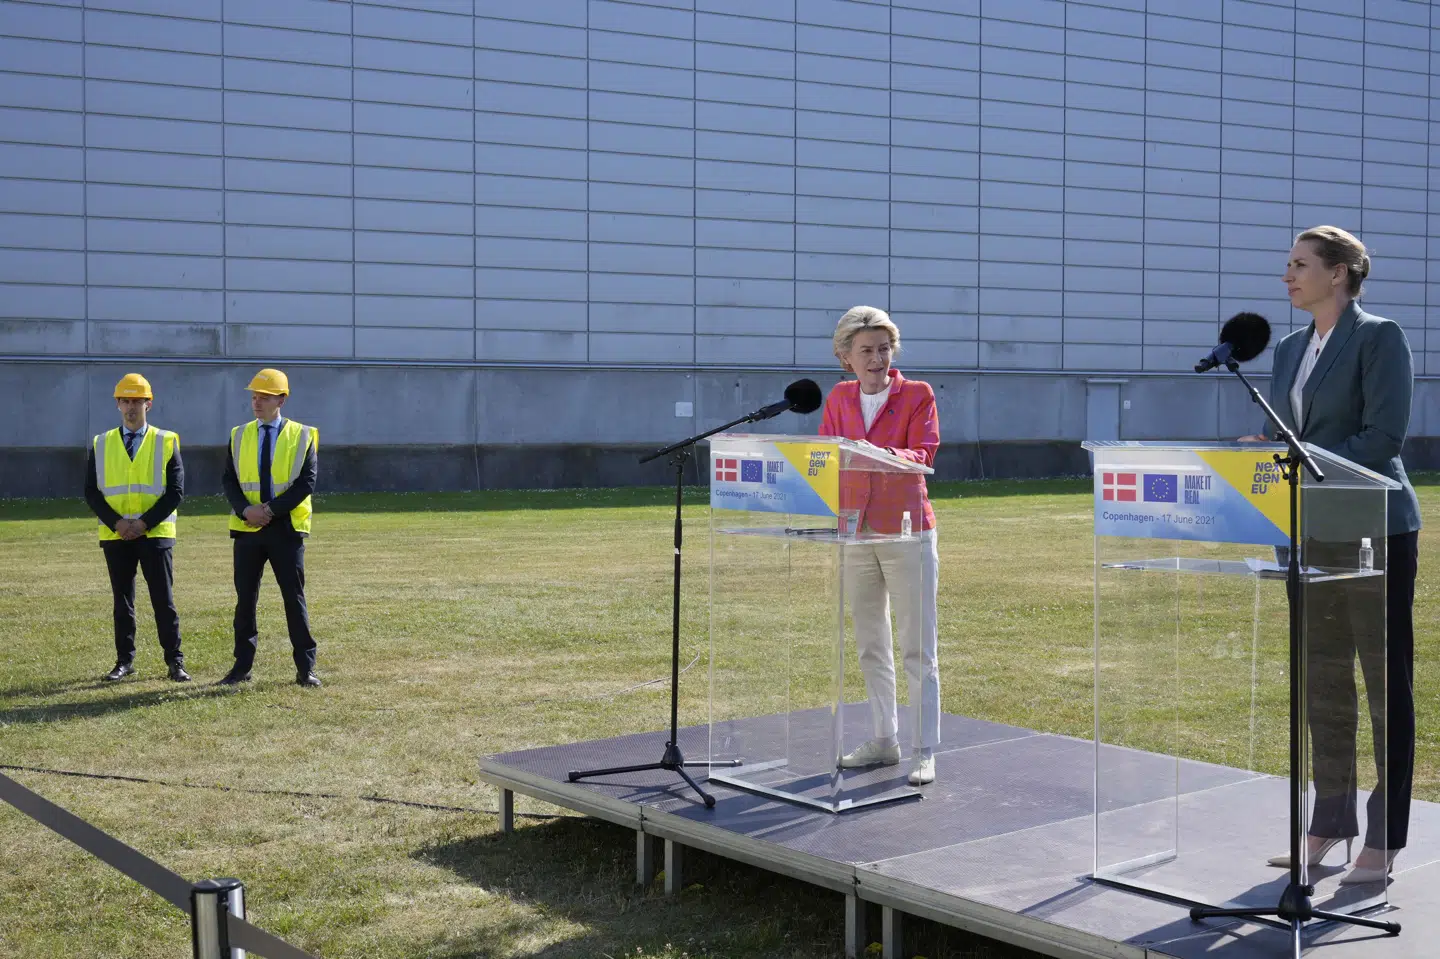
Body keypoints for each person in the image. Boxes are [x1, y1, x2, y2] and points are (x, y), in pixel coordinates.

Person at [1244, 226, 1421, 885]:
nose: (1287, 275)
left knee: (1383, 685)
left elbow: (1382, 437)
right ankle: (1329, 822)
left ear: (1339, 273)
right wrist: (1265, 451)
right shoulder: (1290, 349)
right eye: (1287, 264)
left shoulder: (1379, 338)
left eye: (1300, 264)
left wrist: (1301, 459)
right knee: (1323, 682)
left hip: (1376, 531)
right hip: (1308, 534)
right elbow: (1287, 434)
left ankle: (1386, 837)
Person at [818, 306, 942, 786]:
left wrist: (877, 454)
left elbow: (924, 453)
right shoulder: (839, 397)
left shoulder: (917, 394)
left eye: (884, 349)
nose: (877, 359)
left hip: (907, 531)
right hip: (855, 532)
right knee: (870, 644)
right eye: (866, 350)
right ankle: (883, 740)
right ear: (845, 357)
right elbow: (825, 455)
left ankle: (923, 750)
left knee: (917, 648)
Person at [83, 373, 189, 682]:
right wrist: (117, 523)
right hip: (116, 535)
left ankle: (175, 661)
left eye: (137, 401)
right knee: (122, 602)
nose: (131, 407)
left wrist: (144, 523)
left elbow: (175, 492)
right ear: (117, 404)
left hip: (155, 534)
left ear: (148, 404)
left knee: (163, 601)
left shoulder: (166, 440)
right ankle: (124, 661)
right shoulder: (101, 443)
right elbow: (91, 491)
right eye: (125, 401)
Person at [219, 368, 322, 688]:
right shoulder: (238, 435)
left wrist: (269, 511)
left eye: (264, 397)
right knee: (245, 601)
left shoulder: (303, 435)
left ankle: (305, 668)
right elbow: (229, 480)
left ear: (282, 400)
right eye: (254, 397)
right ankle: (241, 667)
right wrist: (245, 510)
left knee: (294, 598)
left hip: (286, 530)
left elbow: (306, 482)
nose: (257, 402)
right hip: (247, 529)